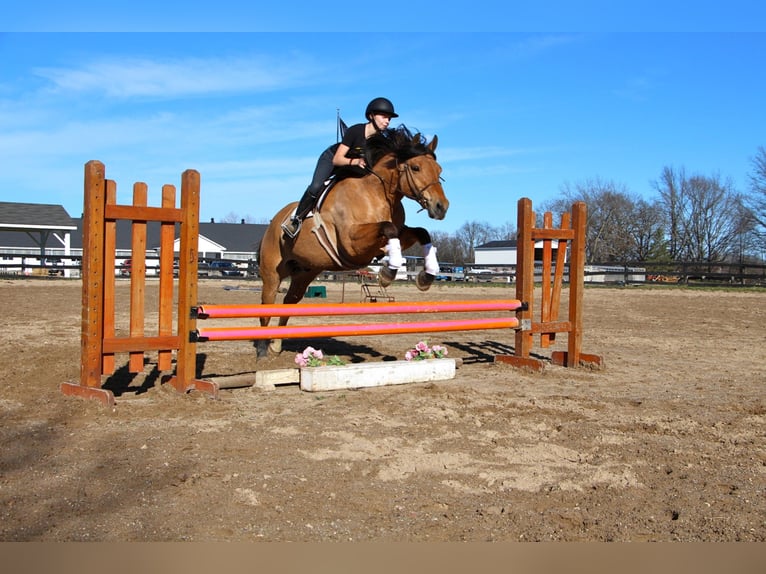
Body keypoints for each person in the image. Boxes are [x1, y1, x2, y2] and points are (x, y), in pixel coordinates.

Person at [281, 97, 399, 238]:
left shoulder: (382, 141)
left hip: (354, 165)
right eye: (384, 117)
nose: (387, 121)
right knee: (316, 186)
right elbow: (338, 159)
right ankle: (296, 219)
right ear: (371, 116)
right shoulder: (355, 131)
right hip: (332, 159)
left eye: (389, 119)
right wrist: (355, 162)